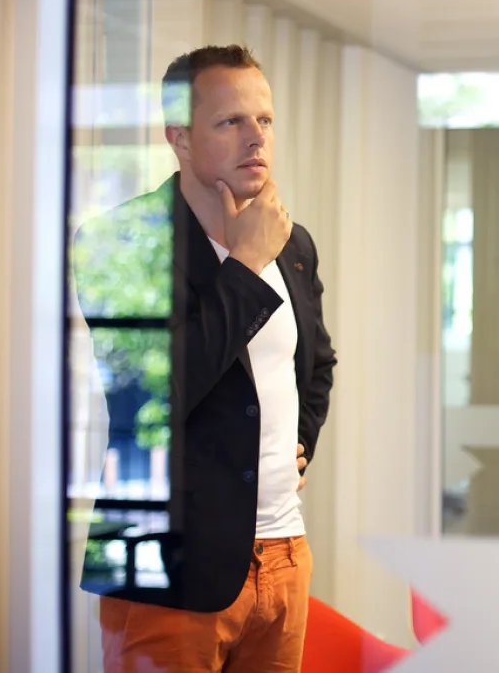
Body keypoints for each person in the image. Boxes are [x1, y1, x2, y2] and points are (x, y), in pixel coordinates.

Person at [73, 45, 336, 672]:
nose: (256, 137)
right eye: (231, 121)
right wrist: (244, 265)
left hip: (283, 552)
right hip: (169, 559)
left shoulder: (292, 242)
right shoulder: (118, 242)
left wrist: (298, 445)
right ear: (181, 139)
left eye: (264, 120)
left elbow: (316, 365)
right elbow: (150, 399)